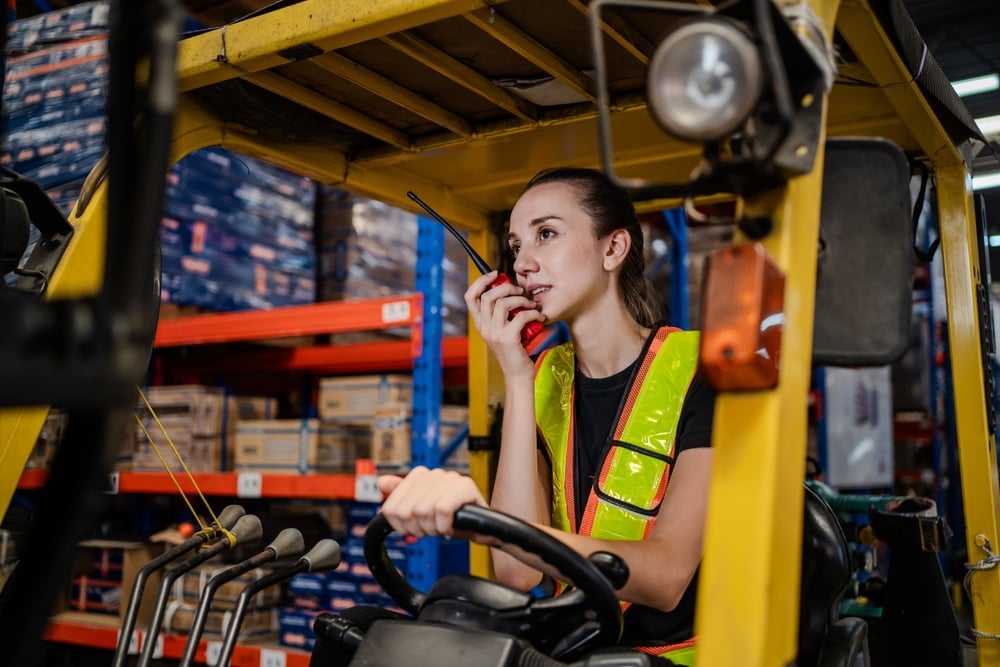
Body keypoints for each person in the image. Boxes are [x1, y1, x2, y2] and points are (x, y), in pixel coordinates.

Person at [311, 167, 715, 667]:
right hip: (572, 652)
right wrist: (516, 376)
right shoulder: (542, 376)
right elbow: (517, 575)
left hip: (675, 658)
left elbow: (668, 576)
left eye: (546, 234)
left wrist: (492, 527)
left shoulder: (701, 369)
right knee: (357, 633)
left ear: (613, 249)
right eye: (516, 245)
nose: (524, 263)